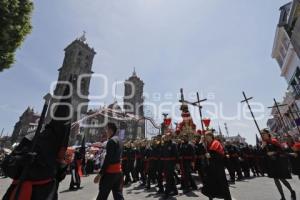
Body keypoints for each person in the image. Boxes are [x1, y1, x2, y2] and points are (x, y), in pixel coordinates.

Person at [261, 129, 296, 200]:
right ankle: (282, 196)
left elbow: (281, 150)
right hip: (271, 163)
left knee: (282, 179)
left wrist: (273, 153)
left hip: (278, 162)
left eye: (264, 133)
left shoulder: (273, 141)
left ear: (268, 134)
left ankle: (292, 191)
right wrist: (262, 147)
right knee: (276, 179)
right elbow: (260, 154)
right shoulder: (264, 143)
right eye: (261, 134)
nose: (263, 135)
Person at [94, 122, 124, 200]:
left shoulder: (111, 141)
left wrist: (100, 174)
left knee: (102, 196)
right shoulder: (120, 140)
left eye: (106, 129)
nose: (105, 131)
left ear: (110, 130)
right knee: (118, 195)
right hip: (118, 173)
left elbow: (108, 159)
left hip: (110, 173)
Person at [201, 131, 232, 200]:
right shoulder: (206, 145)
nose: (206, 137)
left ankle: (227, 198)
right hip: (210, 168)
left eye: (207, 136)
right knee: (209, 183)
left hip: (218, 167)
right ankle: (211, 197)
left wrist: (210, 156)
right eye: (205, 136)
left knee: (222, 183)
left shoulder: (216, 143)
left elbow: (220, 155)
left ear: (211, 136)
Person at [161, 133, 179, 199]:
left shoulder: (173, 144)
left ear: (170, 137)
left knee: (168, 178)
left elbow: (176, 154)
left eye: (168, 136)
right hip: (165, 163)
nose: (166, 137)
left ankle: (166, 193)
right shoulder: (164, 144)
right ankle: (175, 190)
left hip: (171, 163)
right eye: (166, 136)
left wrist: (177, 163)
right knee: (170, 178)